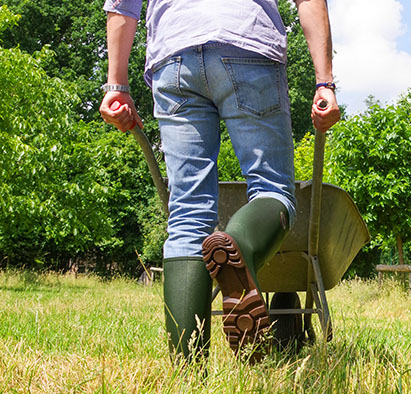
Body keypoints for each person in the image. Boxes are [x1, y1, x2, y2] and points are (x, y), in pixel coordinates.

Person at [99, 0, 340, 362]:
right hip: (246, 42)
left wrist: (116, 86)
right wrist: (324, 82)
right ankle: (239, 245)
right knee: (273, 190)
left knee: (186, 216)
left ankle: (188, 376)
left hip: (174, 55)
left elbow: (122, 5)